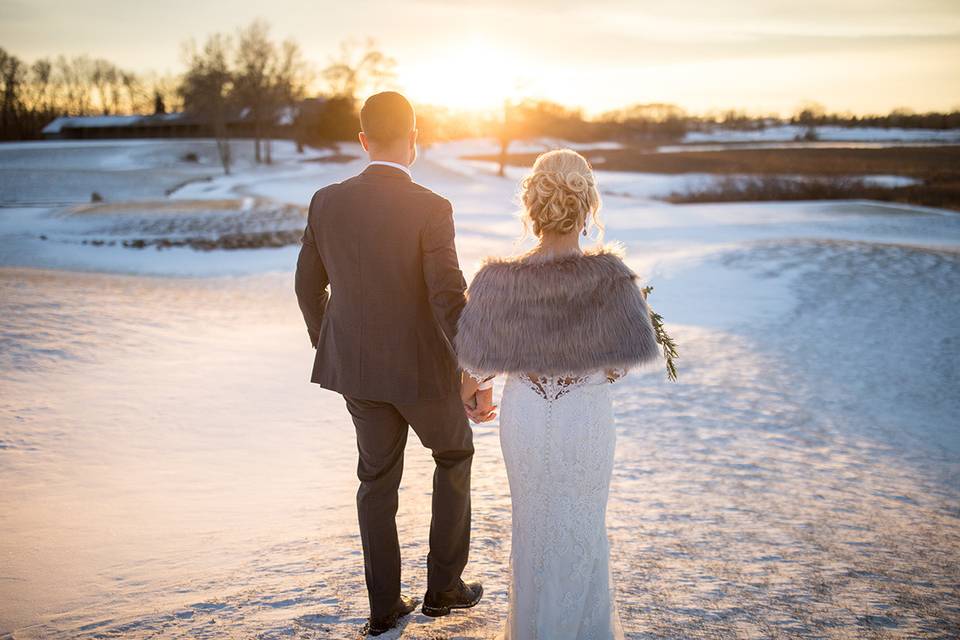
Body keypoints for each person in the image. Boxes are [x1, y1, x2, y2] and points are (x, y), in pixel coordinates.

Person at [294, 91, 488, 637]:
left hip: (357, 371)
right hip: (425, 372)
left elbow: (307, 284)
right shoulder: (432, 206)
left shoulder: (325, 200)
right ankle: (443, 588)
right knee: (453, 455)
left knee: (376, 480)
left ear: (362, 141)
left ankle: (383, 607)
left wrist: (330, 343)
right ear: (413, 139)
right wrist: (472, 368)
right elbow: (448, 297)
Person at [455, 149, 663, 639]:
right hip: (585, 420)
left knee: (533, 531)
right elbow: (619, 366)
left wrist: (478, 395)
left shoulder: (496, 280)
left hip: (525, 416)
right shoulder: (611, 277)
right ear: (587, 204)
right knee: (583, 531)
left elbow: (473, 374)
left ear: (532, 204)